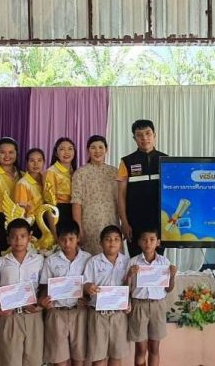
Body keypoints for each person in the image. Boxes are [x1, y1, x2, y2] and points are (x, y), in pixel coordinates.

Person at [0, 218, 45, 366]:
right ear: (8, 239)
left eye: (22, 236)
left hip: (32, 315)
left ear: (30, 237)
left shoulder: (39, 260)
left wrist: (40, 304)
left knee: (33, 360)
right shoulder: (0, 262)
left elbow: (44, 286)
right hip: (9, 317)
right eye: (14, 237)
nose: (18, 240)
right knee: (11, 360)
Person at [40, 220, 90, 366]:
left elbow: (91, 285)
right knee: (59, 359)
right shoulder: (51, 261)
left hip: (79, 312)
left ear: (78, 238)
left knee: (79, 358)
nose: (67, 243)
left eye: (71, 239)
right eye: (63, 239)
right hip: (57, 313)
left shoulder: (88, 259)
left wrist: (87, 299)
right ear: (58, 239)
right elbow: (44, 286)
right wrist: (43, 300)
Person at [127, 229, 177, 366]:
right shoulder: (133, 262)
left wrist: (172, 276)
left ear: (158, 242)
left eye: (152, 239)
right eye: (144, 240)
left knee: (154, 348)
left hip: (157, 306)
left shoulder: (164, 262)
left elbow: (168, 289)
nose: (148, 243)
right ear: (139, 242)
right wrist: (130, 275)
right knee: (140, 348)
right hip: (139, 306)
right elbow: (127, 289)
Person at [117, 120, 167, 256]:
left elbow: (173, 193)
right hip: (134, 222)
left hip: (159, 221)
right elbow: (121, 195)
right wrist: (124, 222)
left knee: (158, 260)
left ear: (154, 135)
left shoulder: (166, 160)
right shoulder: (126, 162)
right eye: (139, 135)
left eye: (148, 133)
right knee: (136, 260)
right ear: (134, 138)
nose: (144, 138)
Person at [84, 225, 131, 366]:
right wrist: (88, 287)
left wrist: (128, 302)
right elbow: (85, 283)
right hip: (98, 315)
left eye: (116, 239)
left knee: (116, 357)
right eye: (108, 239)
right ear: (101, 242)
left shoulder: (127, 262)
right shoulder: (93, 262)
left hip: (119, 316)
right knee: (98, 358)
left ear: (121, 242)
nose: (112, 243)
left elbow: (130, 287)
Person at [72, 135, 120, 255]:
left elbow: (121, 200)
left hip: (111, 222)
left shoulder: (115, 172)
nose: (97, 151)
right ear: (88, 150)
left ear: (106, 150)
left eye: (100, 147)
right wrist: (79, 228)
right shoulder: (80, 173)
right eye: (93, 148)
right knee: (91, 260)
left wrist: (124, 223)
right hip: (89, 225)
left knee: (113, 258)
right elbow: (76, 202)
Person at [14, 147, 52, 237]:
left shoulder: (46, 180)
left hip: (48, 221)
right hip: (32, 224)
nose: (36, 164)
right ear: (27, 163)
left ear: (44, 162)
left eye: (39, 160)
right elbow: (21, 212)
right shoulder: (23, 184)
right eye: (32, 161)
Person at [47, 137, 78, 224]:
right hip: (59, 211)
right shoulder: (51, 172)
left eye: (70, 149)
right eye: (62, 149)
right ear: (56, 153)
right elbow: (49, 202)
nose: (66, 152)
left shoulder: (76, 172)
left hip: (75, 209)